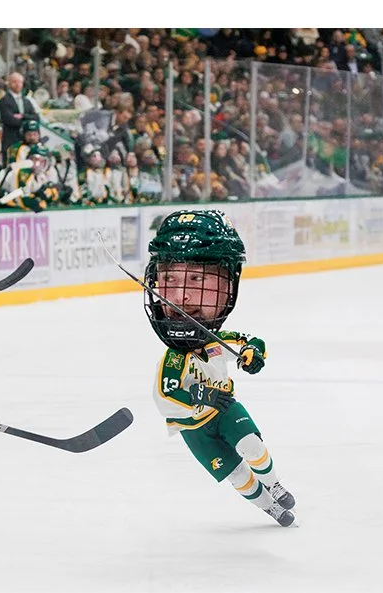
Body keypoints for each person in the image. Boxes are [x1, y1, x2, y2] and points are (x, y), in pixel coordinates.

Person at [145, 209, 296, 527]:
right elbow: (165, 396)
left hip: (226, 409)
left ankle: (275, 484)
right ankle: (271, 507)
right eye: (170, 279)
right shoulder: (173, 360)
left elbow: (248, 341)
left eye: (197, 279)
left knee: (253, 446)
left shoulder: (214, 341)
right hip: (194, 429)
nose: (183, 296)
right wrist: (203, 395)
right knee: (236, 473)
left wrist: (254, 353)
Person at [0, 72, 39, 157]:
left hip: (27, 143)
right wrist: (27, 121)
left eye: (19, 82)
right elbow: (10, 120)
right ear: (9, 83)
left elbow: (36, 118)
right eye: (14, 82)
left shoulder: (27, 101)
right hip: (11, 141)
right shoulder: (4, 101)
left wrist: (23, 116)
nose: (17, 84)